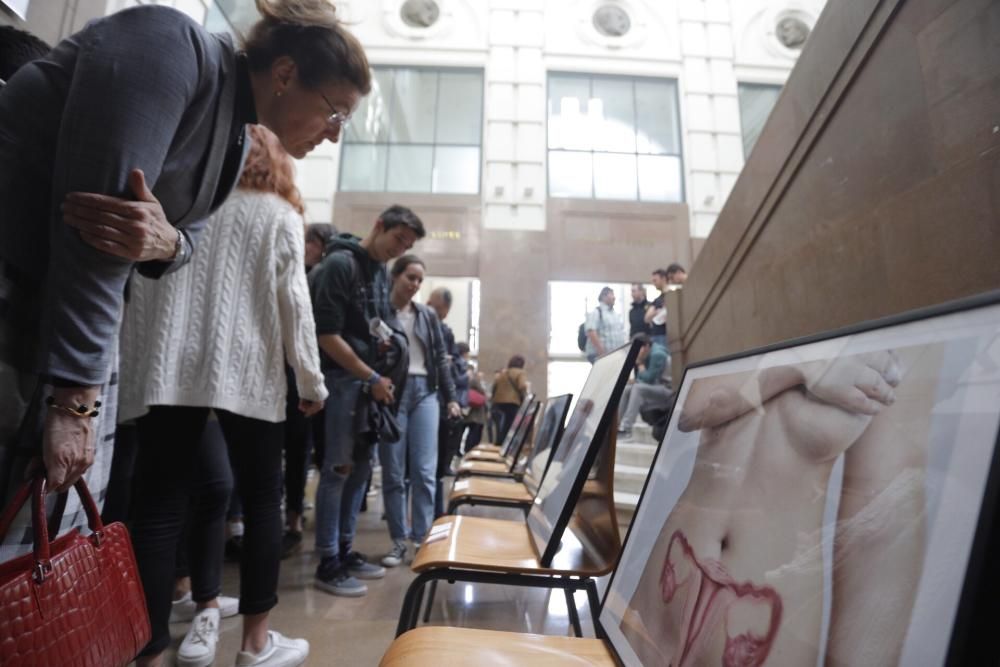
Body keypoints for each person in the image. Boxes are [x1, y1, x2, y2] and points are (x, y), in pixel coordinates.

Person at [0, 0, 371, 565]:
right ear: (286, 73)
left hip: (68, 328)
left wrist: (166, 241)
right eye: (336, 113)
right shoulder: (169, 44)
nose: (334, 135)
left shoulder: (238, 138)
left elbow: (179, 245)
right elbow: (96, 232)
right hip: (26, 294)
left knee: (39, 551)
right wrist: (76, 399)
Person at [117, 124, 328, 667]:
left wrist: (137, 371)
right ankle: (255, 643)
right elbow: (294, 305)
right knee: (262, 502)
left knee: (158, 508)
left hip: (167, 374)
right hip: (248, 375)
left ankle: (149, 650)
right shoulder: (277, 213)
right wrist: (310, 380)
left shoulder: (178, 202)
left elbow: (137, 294)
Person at [621, 346, 938, 666]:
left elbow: (882, 534)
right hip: (656, 602)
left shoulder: (901, 350)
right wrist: (801, 365)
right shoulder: (766, 323)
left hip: (755, 631)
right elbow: (691, 409)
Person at [309, 205, 426, 596]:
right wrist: (372, 375)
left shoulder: (377, 271)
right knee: (338, 469)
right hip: (344, 380)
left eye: (406, 245)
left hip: (368, 385)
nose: (399, 249)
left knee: (360, 471)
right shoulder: (339, 265)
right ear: (378, 226)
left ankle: (344, 549)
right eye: (398, 240)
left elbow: (372, 324)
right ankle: (327, 560)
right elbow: (326, 334)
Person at [379, 256, 460, 566]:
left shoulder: (426, 315)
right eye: (410, 277)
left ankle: (422, 537)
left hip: (425, 392)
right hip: (393, 392)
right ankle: (398, 540)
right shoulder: (381, 311)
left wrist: (451, 397)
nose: (414, 284)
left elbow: (440, 357)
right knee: (394, 471)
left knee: (425, 471)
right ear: (396, 276)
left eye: (418, 280)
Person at [281, 221, 338, 558]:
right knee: (292, 448)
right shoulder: (295, 272)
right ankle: (290, 516)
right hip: (288, 375)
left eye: (312, 243)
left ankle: (295, 518)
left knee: (307, 450)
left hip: (316, 377)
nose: (307, 248)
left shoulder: (323, 279)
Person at [427, 287, 469, 517]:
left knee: (436, 466)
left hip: (441, 400)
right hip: (424, 397)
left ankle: (435, 514)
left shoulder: (445, 332)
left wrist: (451, 399)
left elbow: (449, 368)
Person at [617, 334, 672, 439]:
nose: (636, 353)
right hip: (656, 388)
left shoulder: (657, 354)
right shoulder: (648, 352)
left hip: (668, 391)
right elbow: (641, 379)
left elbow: (648, 379)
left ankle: (627, 428)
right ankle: (616, 425)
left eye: (637, 349)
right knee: (627, 389)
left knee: (637, 388)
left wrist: (640, 364)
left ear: (646, 346)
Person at [491, 355, 530, 443]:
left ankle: (499, 443)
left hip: (498, 402)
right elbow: (521, 386)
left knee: (500, 426)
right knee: (509, 425)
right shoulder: (520, 372)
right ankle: (505, 445)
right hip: (512, 402)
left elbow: (494, 386)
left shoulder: (503, 373)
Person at [585, 286, 627, 363]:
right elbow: (591, 332)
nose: (614, 297)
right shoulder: (597, 312)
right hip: (600, 356)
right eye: (611, 294)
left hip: (613, 356)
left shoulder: (615, 314)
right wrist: (602, 353)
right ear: (603, 297)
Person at [458, 345, 487, 454]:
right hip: (473, 411)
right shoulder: (472, 379)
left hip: (468, 409)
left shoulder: (467, 377)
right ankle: (468, 450)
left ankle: (464, 450)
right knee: (473, 434)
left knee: (466, 431)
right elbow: (482, 392)